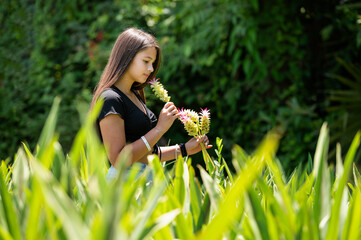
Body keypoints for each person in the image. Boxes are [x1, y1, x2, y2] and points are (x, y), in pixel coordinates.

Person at [90, 28, 211, 181]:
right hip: (124, 186)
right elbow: (119, 160)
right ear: (127, 57)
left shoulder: (134, 95)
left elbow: (145, 154)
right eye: (146, 61)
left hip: (146, 181)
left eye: (153, 63)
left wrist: (184, 149)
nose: (151, 69)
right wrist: (160, 128)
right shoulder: (110, 99)